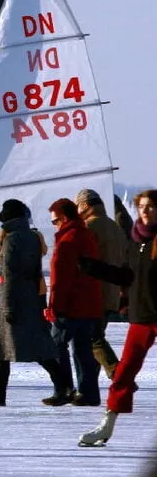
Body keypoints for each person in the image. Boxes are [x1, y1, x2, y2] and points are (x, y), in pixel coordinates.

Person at [0, 199, 73, 407]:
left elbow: (10, 275)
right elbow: (35, 272)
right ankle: (61, 387)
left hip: (13, 300)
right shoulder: (32, 236)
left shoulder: (11, 239)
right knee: (34, 348)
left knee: (6, 349)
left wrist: (8, 306)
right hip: (29, 297)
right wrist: (39, 302)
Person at [78, 189, 157, 446]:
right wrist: (93, 268)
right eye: (142, 206)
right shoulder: (137, 242)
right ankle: (107, 425)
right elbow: (128, 277)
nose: (145, 211)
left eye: (151, 207)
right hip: (142, 315)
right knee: (123, 372)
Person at [47, 198, 103, 406]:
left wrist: (55, 306)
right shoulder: (86, 234)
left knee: (54, 347)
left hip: (71, 305)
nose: (54, 225)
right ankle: (89, 394)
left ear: (63, 218)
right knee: (82, 349)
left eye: (54, 221)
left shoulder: (67, 240)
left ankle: (64, 390)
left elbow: (61, 279)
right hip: (90, 303)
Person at [76, 189, 129, 381]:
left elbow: (82, 262)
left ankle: (119, 373)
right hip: (112, 293)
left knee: (92, 339)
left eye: (78, 206)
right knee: (95, 339)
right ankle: (89, 387)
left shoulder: (89, 227)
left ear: (85, 205)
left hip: (93, 292)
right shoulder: (115, 227)